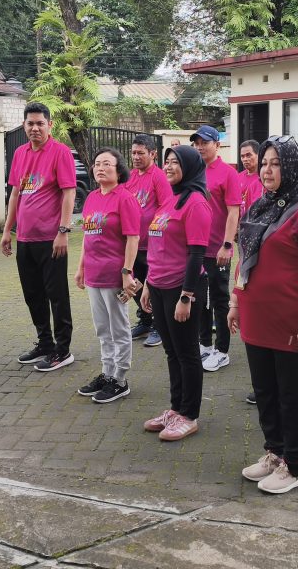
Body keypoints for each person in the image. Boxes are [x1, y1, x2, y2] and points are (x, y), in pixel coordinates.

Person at [230, 137, 298, 494]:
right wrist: (235, 303)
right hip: (256, 320)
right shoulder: (260, 206)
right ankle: (275, 452)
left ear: (293, 167)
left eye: (275, 163)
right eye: (264, 163)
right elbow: (244, 259)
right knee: (266, 393)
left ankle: (295, 464)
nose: (267, 170)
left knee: (294, 397)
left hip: (294, 324)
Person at [140, 146, 213, 441]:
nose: (168, 167)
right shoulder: (170, 200)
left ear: (190, 166)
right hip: (158, 286)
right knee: (171, 351)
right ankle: (176, 408)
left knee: (187, 353)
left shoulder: (196, 203)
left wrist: (186, 296)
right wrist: (148, 284)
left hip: (181, 287)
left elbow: (197, 254)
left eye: (175, 162)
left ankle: (189, 415)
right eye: (167, 162)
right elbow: (157, 247)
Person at [3, 102, 78, 372]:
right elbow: (15, 194)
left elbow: (69, 192)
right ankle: (45, 343)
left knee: (57, 295)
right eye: (30, 123)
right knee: (33, 294)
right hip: (25, 239)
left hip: (51, 239)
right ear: (24, 126)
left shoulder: (60, 152)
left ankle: (63, 350)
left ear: (50, 125)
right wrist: (7, 231)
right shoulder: (20, 153)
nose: (35, 128)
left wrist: (63, 231)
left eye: (40, 123)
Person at [75, 148, 142, 403]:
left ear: (119, 170)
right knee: (102, 328)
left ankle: (120, 379)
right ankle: (107, 372)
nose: (100, 168)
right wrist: (81, 267)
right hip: (94, 274)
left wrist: (127, 272)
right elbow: (87, 236)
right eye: (97, 164)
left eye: (106, 164)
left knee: (119, 328)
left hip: (115, 274)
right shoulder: (92, 197)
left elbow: (133, 238)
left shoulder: (125, 199)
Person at [191, 125, 242, 372]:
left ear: (217, 145)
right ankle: (205, 344)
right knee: (200, 298)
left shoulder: (227, 173)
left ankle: (222, 351)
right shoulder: (193, 170)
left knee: (220, 299)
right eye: (197, 143)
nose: (200, 147)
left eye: (205, 142)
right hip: (196, 248)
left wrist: (227, 244)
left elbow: (234, 212)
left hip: (218, 249)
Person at [127, 135, 173, 348]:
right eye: (133, 153)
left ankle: (158, 325)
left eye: (141, 153)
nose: (136, 157)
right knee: (134, 283)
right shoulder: (130, 177)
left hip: (152, 244)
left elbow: (166, 208)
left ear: (153, 154)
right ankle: (145, 320)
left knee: (151, 285)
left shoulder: (159, 177)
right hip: (132, 243)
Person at [238, 139, 264, 215]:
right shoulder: (237, 177)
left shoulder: (265, 178)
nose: (245, 159)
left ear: (259, 155)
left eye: (248, 155)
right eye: (242, 156)